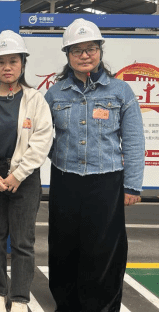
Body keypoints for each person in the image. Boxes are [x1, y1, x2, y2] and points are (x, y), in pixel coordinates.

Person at [45, 18, 145, 312]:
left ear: (100, 50)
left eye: (91, 49)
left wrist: (132, 185)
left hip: (106, 182)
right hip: (65, 180)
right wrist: (57, 155)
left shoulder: (120, 92)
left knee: (104, 248)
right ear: (68, 55)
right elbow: (40, 136)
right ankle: (67, 304)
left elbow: (134, 141)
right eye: (77, 50)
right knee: (64, 246)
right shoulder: (55, 94)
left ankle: (102, 306)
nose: (85, 55)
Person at [0, 31, 53, 312]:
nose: (7, 67)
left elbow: (42, 140)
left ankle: (20, 296)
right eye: (1, 62)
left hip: (25, 177)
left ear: (23, 63)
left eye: (13, 61)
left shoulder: (35, 100)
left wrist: (18, 174)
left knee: (23, 241)